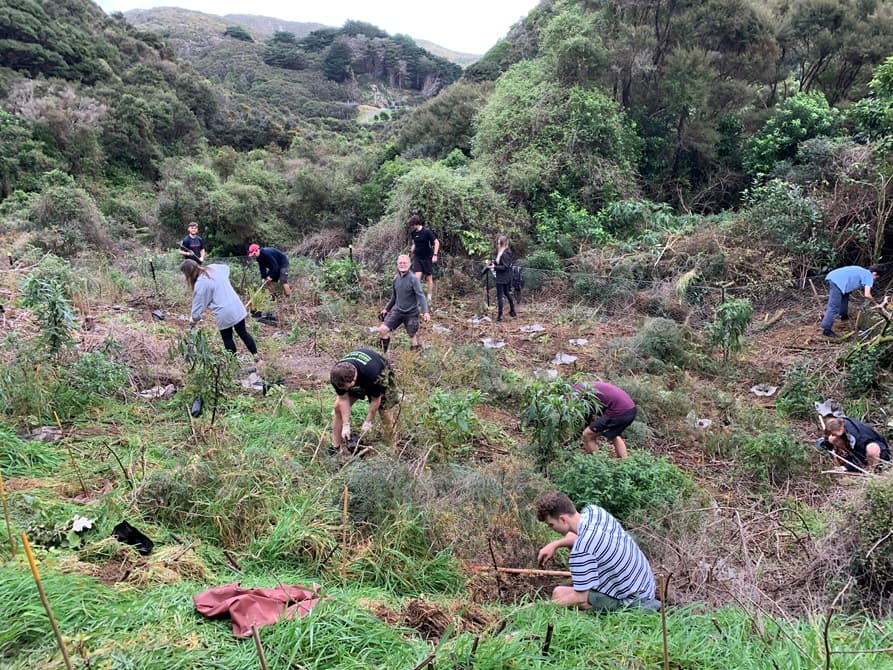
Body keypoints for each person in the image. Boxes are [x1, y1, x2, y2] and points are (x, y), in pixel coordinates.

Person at [536, 492, 659, 611]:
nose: (551, 529)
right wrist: (555, 544)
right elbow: (581, 538)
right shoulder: (595, 512)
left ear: (563, 519)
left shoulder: (582, 549)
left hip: (634, 601)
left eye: (551, 525)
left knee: (559, 594)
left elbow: (580, 598)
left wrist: (539, 606)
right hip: (646, 585)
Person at [180, 260, 259, 360]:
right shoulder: (214, 268)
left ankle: (233, 364)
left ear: (188, 273)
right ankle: (256, 357)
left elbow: (198, 306)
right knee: (243, 332)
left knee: (227, 338)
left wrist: (193, 320)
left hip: (224, 312)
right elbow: (226, 268)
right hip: (236, 305)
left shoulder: (201, 284)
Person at [330, 348, 398, 453]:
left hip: (381, 372)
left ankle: (393, 446)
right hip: (359, 376)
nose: (346, 390)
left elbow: (376, 400)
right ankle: (336, 448)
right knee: (338, 408)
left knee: (384, 411)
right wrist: (346, 424)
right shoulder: (337, 375)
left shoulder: (373, 374)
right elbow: (343, 399)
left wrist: (368, 422)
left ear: (354, 379)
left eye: (348, 387)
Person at [379, 254, 430, 352]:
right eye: (400, 263)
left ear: (409, 264)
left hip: (411, 312)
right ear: (397, 264)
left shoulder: (414, 279)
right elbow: (394, 297)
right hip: (398, 311)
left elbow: (421, 295)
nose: (402, 264)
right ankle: (384, 353)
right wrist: (386, 309)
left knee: (412, 333)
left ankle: (415, 354)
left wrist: (425, 311)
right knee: (382, 330)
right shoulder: (395, 279)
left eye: (405, 263)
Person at [573, 381, 636, 458]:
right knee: (614, 434)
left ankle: (598, 463)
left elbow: (584, 415)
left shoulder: (576, 393)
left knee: (587, 435)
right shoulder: (582, 387)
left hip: (618, 411)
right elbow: (587, 416)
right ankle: (626, 463)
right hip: (630, 410)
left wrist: (578, 434)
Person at [820, 265, 879, 337]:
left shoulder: (864, 272)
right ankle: (826, 329)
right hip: (837, 281)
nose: (875, 280)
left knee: (845, 297)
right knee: (834, 306)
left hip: (837, 278)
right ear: (874, 274)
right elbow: (867, 294)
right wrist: (876, 303)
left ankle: (844, 317)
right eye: (876, 278)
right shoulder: (869, 276)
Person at [818, 416, 890, 472]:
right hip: (858, 448)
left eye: (834, 433)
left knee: (872, 449)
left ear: (840, 429)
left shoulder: (857, 436)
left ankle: (871, 470)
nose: (833, 435)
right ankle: (850, 456)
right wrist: (823, 443)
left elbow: (860, 457)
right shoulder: (840, 421)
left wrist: (846, 467)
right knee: (832, 439)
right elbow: (828, 436)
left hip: (880, 452)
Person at [409, 214, 439, 305]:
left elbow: (436, 242)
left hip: (427, 257)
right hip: (417, 257)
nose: (412, 227)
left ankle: (429, 298)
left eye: (412, 225)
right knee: (416, 278)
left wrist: (435, 255)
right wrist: (409, 254)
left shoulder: (427, 232)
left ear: (416, 224)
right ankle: (418, 299)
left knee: (428, 278)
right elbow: (414, 244)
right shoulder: (413, 233)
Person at [489, 235, 516, 322]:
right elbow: (500, 262)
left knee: (500, 296)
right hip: (504, 276)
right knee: (506, 293)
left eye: (498, 243)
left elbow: (505, 267)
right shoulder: (502, 251)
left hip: (502, 277)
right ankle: (512, 311)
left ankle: (500, 316)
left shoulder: (505, 253)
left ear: (502, 243)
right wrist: (494, 262)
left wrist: (494, 267)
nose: (497, 244)